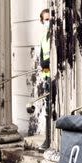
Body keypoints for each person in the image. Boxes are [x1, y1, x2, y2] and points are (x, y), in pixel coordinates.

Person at [37, 9, 53, 149]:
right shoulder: (43, 35)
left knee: (53, 108)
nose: (49, 22)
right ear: (42, 21)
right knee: (48, 108)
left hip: (56, 74)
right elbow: (42, 55)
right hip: (47, 74)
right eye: (46, 20)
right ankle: (48, 139)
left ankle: (51, 140)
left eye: (50, 19)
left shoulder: (54, 34)